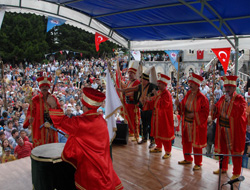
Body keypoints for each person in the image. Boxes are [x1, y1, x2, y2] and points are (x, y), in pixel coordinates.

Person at [47, 87, 123, 190]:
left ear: (84, 105)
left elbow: (61, 121)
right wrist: (74, 137)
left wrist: (54, 105)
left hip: (90, 169)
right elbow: (89, 139)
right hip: (104, 165)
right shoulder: (101, 120)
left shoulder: (80, 123)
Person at [212, 76, 247, 180]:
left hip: (233, 130)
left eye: (229, 87)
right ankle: (223, 167)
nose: (227, 89)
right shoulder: (222, 98)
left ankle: (236, 172)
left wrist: (230, 102)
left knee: (236, 151)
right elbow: (217, 110)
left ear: (234, 88)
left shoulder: (240, 99)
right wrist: (214, 109)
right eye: (226, 87)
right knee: (223, 150)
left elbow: (240, 112)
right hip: (222, 127)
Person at [175, 73, 209, 171]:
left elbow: (205, 113)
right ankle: (187, 158)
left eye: (192, 84)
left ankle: (198, 163)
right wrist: (179, 105)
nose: (190, 85)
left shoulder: (203, 98)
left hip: (196, 124)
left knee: (196, 144)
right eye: (190, 83)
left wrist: (194, 115)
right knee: (186, 142)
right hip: (186, 122)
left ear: (197, 85)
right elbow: (183, 106)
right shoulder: (188, 94)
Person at [23, 75, 60, 147]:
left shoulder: (53, 98)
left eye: (46, 86)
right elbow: (30, 112)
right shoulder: (35, 99)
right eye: (43, 87)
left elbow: (59, 112)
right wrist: (29, 120)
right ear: (40, 87)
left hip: (51, 127)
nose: (44, 88)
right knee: (41, 148)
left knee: (52, 147)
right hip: (40, 127)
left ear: (49, 87)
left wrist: (53, 105)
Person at [148, 74, 175, 159]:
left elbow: (164, 104)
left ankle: (168, 151)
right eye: (158, 83)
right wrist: (148, 100)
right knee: (157, 133)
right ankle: (158, 147)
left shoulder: (167, 94)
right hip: (156, 116)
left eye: (159, 83)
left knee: (165, 134)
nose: (158, 85)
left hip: (164, 118)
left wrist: (156, 95)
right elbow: (154, 101)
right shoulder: (159, 92)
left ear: (164, 85)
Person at [120, 60, 141, 141]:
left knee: (135, 119)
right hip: (128, 103)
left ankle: (136, 134)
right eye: (129, 73)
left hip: (133, 104)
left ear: (134, 74)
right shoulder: (129, 81)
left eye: (131, 73)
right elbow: (126, 88)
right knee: (129, 119)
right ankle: (131, 132)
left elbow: (132, 92)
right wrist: (121, 83)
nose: (130, 75)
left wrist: (125, 92)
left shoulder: (137, 82)